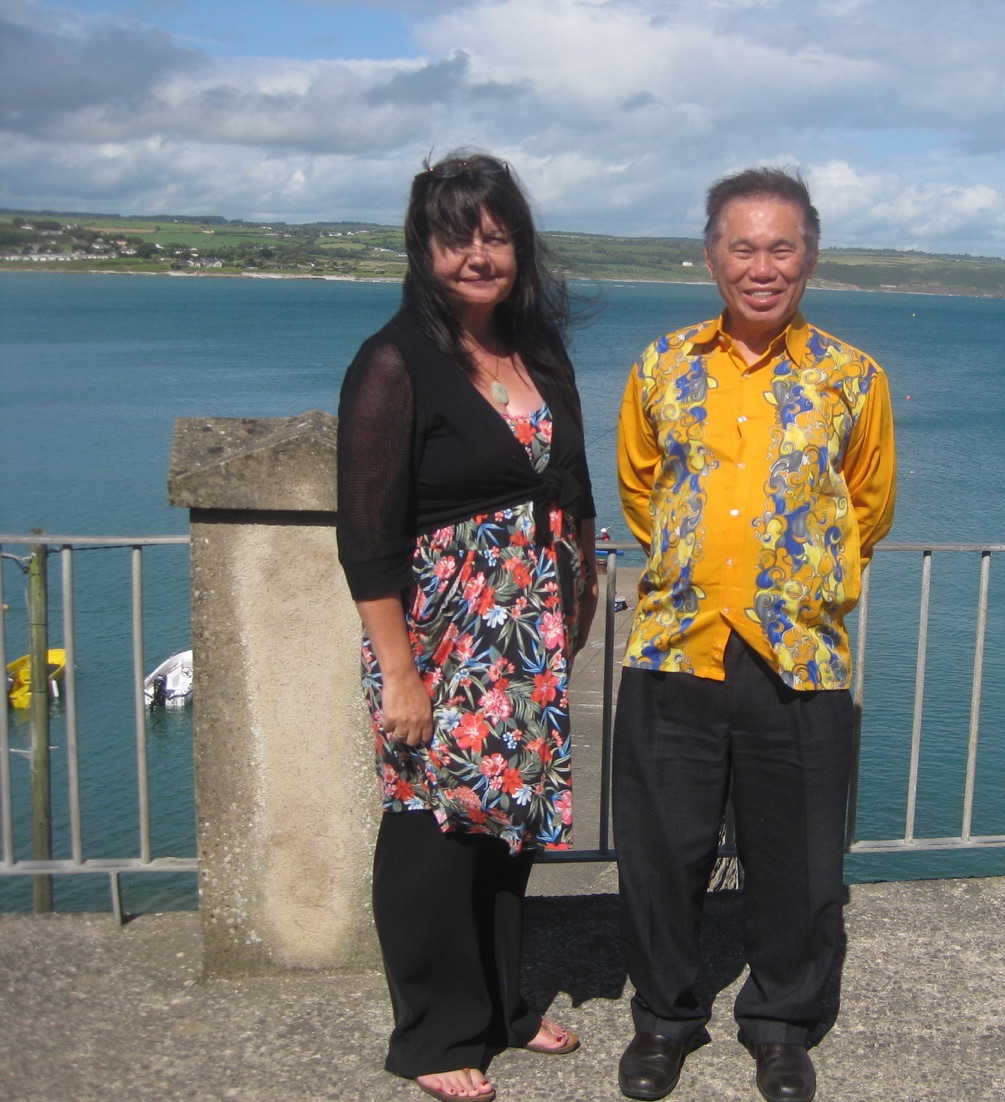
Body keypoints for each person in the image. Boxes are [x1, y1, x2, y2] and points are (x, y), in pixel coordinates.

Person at [612, 167, 897, 1102]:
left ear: (808, 257)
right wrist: (707, 568)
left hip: (800, 653)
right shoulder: (660, 366)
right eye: (743, 247)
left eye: (781, 247)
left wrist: (795, 582)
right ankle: (664, 1020)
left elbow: (868, 506)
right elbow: (641, 491)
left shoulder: (853, 378)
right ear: (710, 256)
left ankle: (782, 1023)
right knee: (663, 855)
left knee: (800, 862)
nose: (761, 266)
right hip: (676, 643)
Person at [336, 151, 599, 1102]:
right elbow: (365, 537)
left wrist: (580, 587)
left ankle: (499, 1007)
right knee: (429, 827)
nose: (478, 254)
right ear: (425, 248)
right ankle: (433, 1034)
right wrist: (398, 672)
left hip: (522, 630)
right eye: (458, 236)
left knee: (502, 825)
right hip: (442, 636)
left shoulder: (537, 348)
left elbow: (568, 482)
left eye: (496, 234)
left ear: (520, 247)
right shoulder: (394, 361)